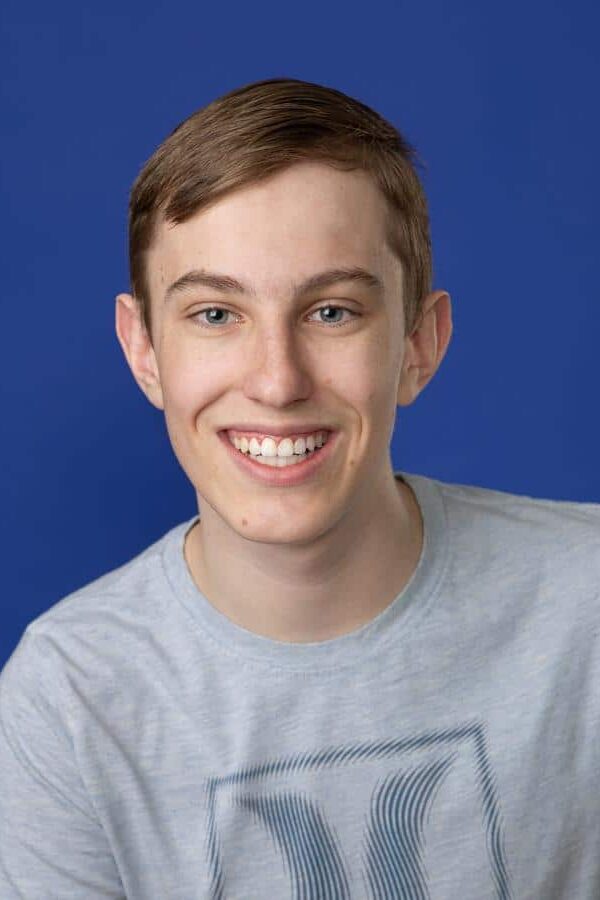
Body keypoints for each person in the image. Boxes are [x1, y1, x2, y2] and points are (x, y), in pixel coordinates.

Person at [0, 77, 598, 900]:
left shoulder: (587, 602)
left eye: (332, 312)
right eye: (215, 314)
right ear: (144, 352)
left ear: (420, 343)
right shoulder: (65, 702)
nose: (278, 382)